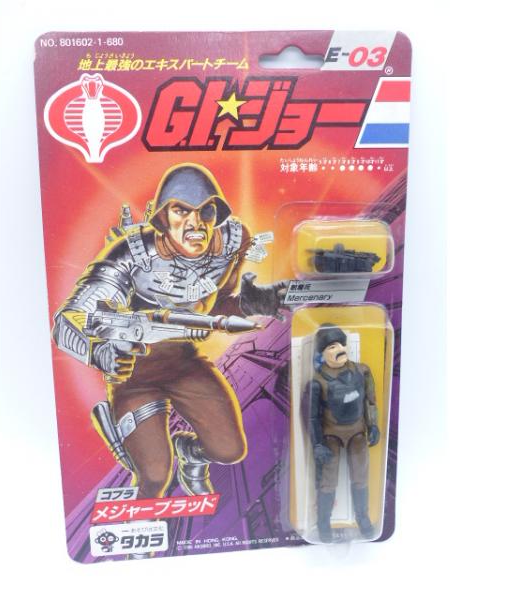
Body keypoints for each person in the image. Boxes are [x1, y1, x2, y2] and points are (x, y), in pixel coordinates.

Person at [53, 163, 286, 498]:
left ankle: (190, 454)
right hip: (134, 373)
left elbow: (212, 308)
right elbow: (67, 320)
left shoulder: (229, 243)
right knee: (153, 476)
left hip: (184, 364)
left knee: (230, 449)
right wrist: (98, 353)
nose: (195, 223)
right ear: (162, 218)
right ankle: (139, 523)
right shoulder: (132, 254)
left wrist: (248, 304)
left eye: (206, 211)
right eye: (181, 211)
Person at [306, 324, 380, 541]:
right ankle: (323, 524)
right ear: (322, 353)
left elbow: (370, 401)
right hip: (331, 437)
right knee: (328, 481)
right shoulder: (317, 381)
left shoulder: (362, 371)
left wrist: (373, 425)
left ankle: (363, 518)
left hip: (357, 433)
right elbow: (312, 417)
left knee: (361, 476)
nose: (338, 349)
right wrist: (317, 444)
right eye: (331, 346)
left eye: (340, 344)